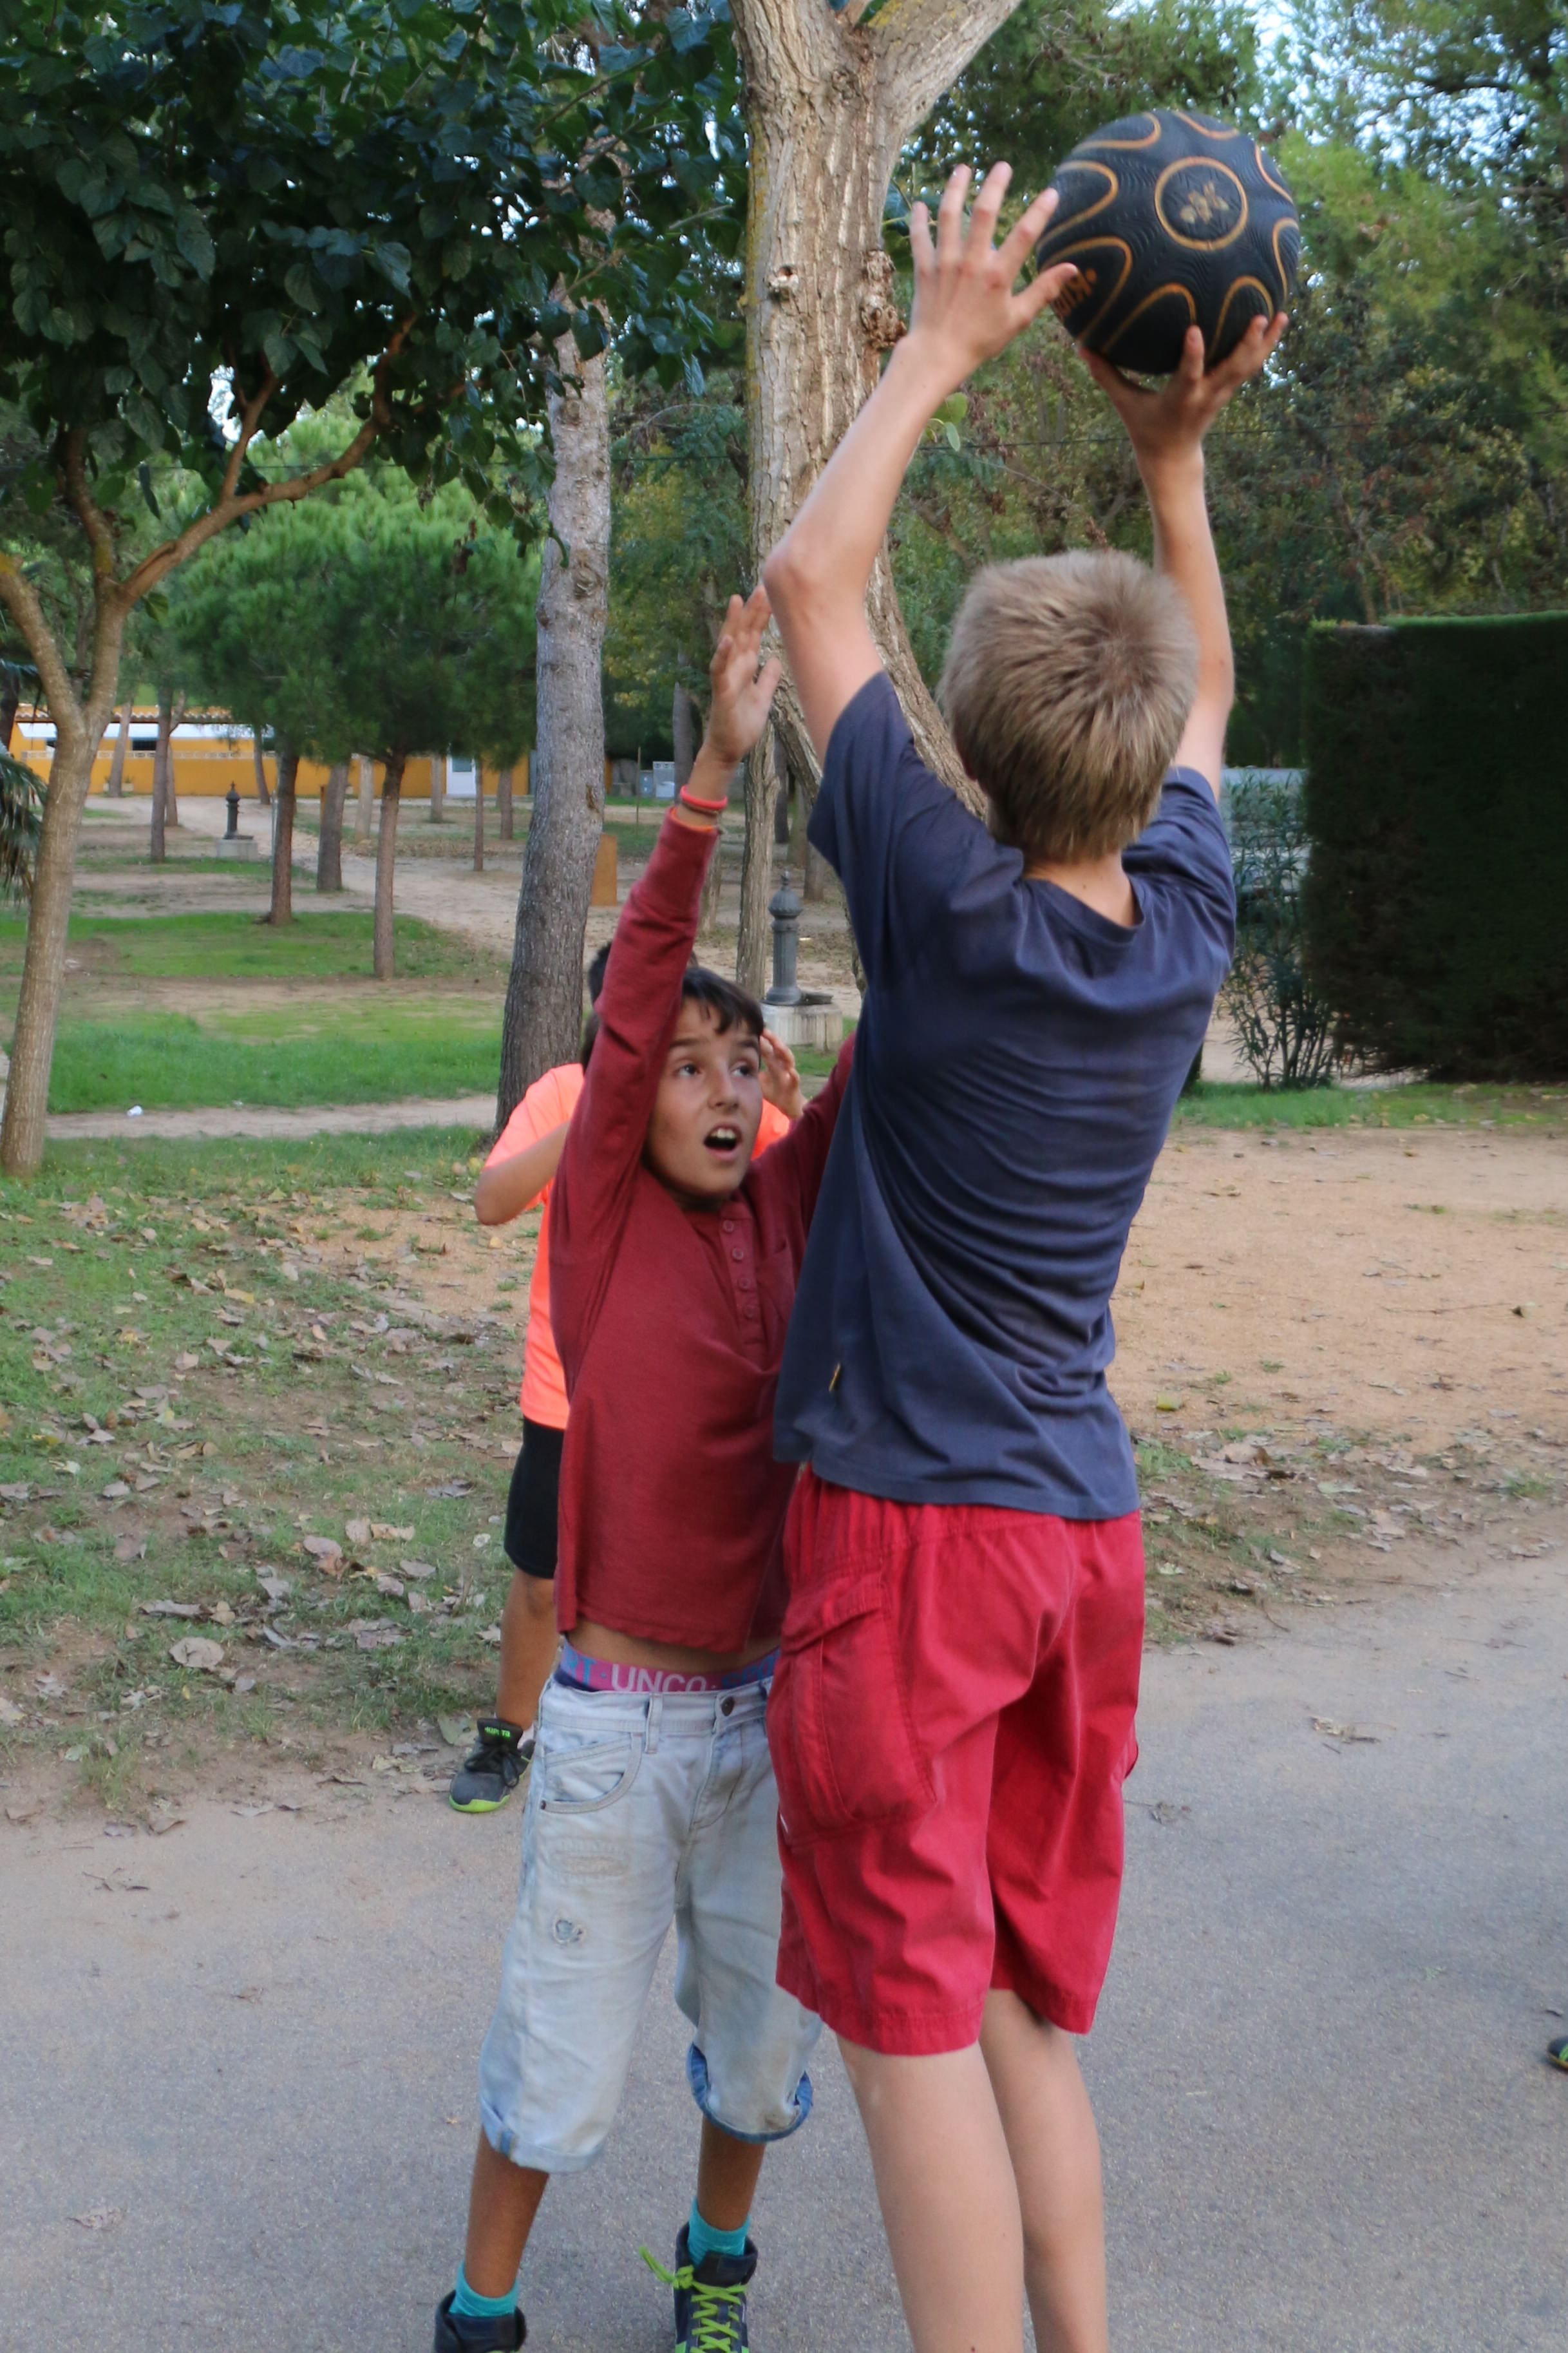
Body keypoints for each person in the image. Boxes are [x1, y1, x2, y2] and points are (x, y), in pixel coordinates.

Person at [759, 162, 1285, 2353]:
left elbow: (810, 573)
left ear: (963, 745)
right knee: (1011, 2009)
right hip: (1077, 1534)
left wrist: (937, 346)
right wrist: (1174, 468)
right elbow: (1207, 693)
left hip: (914, 1547)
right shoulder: (1176, 930)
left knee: (909, 2037)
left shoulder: (938, 902)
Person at [434, 588, 853, 2353]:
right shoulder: (601, 1218)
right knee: (553, 2061)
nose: (712, 1083)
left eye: (739, 1061)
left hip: (767, 1718)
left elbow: (892, 1066)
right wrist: (709, 780)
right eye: (681, 1064)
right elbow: (627, 1021)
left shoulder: (792, 1200)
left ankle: (714, 2263)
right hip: (614, 1727)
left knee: (757, 2051)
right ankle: (482, 2306)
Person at [449, 946, 795, 1813]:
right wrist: (599, 1112)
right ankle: (509, 1732)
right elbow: (491, 1201)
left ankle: (707, 1732)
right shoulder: (565, 1093)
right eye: (627, 1024)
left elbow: (799, 1184)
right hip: (568, 1393)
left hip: (688, 1401)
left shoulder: (710, 1099)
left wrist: (790, 1108)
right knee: (541, 1578)